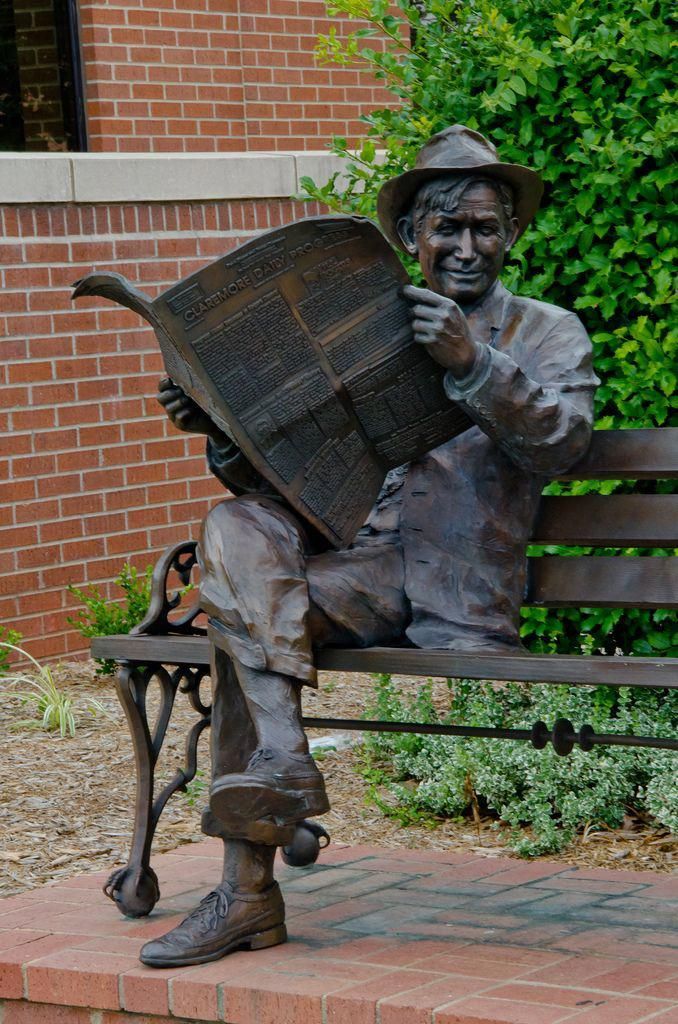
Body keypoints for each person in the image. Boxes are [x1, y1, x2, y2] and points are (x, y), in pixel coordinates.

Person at [139, 125, 599, 968]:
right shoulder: (356, 330)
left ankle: (247, 895)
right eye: (447, 228)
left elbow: (563, 442)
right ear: (409, 238)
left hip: (450, 585)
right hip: (351, 575)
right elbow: (287, 480)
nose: (466, 246)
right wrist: (223, 427)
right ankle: (283, 757)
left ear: (512, 235)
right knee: (235, 531)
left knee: (243, 634)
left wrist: (474, 363)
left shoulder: (545, 332)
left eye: (485, 227)